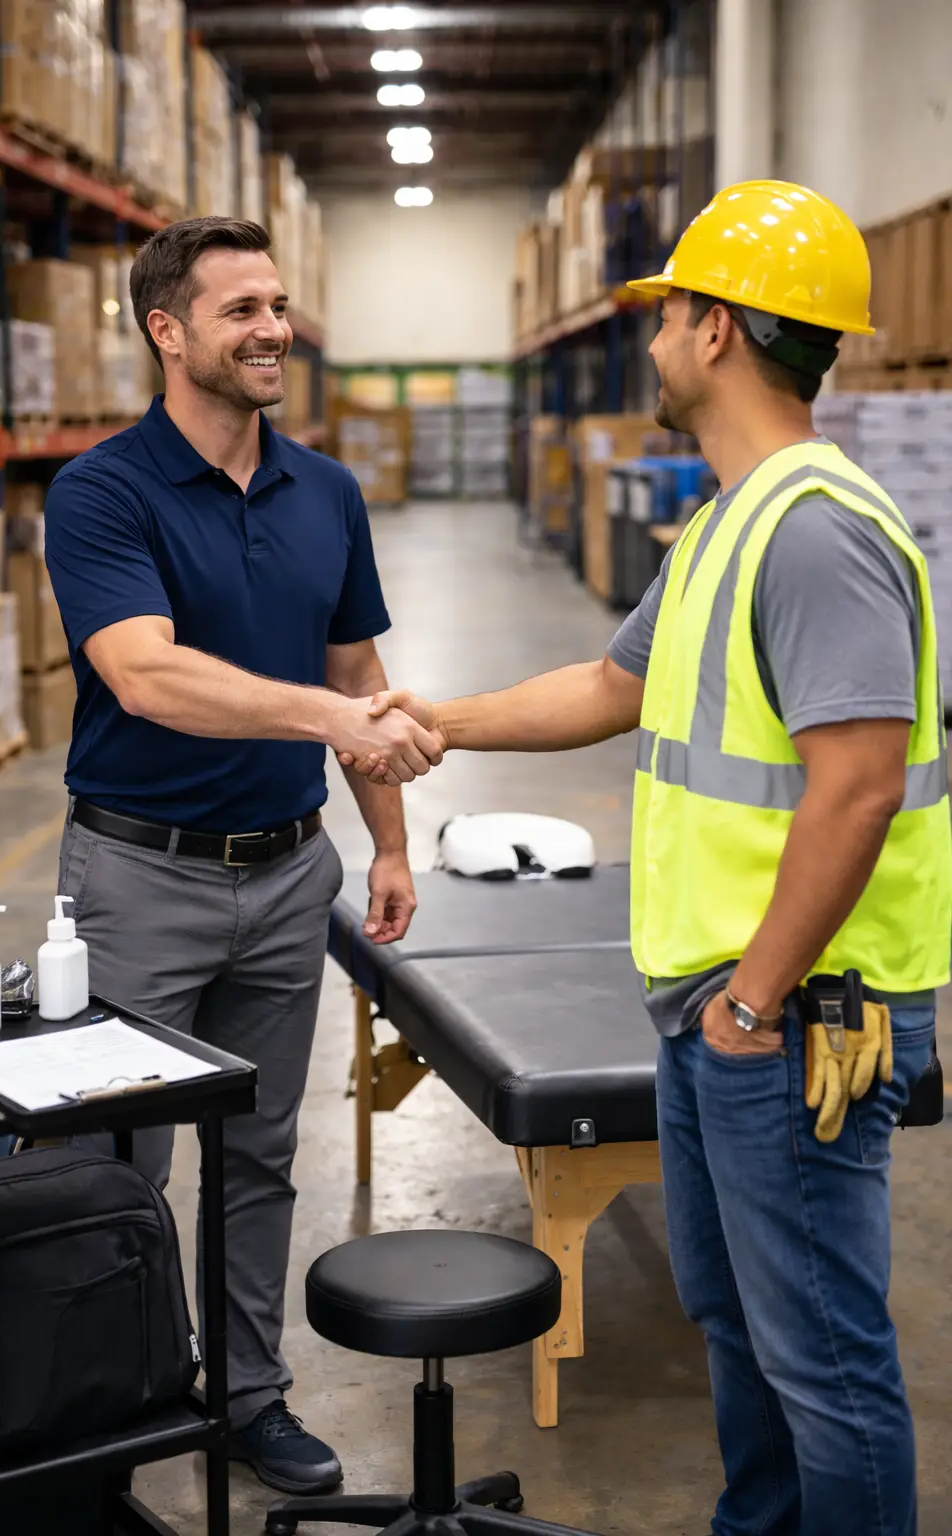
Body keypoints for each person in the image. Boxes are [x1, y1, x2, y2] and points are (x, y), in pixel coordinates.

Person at [345, 181, 952, 1536]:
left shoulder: (817, 530)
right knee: (736, 1328)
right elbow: (610, 687)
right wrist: (421, 721)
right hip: (712, 1001)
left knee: (826, 1360)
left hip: (789, 1016)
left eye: (670, 311)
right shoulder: (733, 519)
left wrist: (750, 1007)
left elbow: (854, 792)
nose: (656, 336)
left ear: (722, 330)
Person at [44, 216, 442, 1495]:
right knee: (109, 1170)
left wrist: (385, 840)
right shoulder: (102, 491)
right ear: (167, 331)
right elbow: (144, 673)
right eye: (240, 310)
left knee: (261, 1152)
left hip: (286, 878)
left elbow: (356, 672)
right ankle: (94, 1419)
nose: (273, 329)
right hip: (136, 884)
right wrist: (331, 721)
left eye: (277, 306)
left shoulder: (323, 490)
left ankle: (248, 1398)